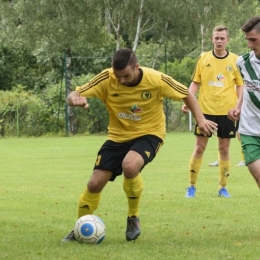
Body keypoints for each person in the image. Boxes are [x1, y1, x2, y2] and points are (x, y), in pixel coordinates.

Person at [62, 48, 217, 242]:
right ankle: (80, 228)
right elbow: (74, 93)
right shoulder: (107, 78)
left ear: (137, 67)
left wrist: (201, 120)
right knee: (94, 184)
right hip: (117, 137)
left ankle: (133, 217)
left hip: (150, 134)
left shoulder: (156, 79)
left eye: (126, 75)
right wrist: (74, 100)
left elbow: (186, 93)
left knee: (130, 165)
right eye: (118, 76)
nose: (122, 81)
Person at [182, 25, 244, 198]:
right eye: (216, 38)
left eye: (222, 38)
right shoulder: (203, 58)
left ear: (227, 40)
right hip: (205, 111)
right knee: (199, 147)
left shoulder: (236, 60)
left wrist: (239, 105)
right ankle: (191, 187)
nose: (219, 41)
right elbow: (195, 82)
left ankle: (223, 188)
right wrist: (188, 100)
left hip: (228, 112)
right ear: (212, 39)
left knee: (224, 149)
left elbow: (240, 85)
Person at [228, 16, 260, 189]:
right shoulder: (243, 62)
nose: (249, 45)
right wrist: (238, 107)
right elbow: (247, 87)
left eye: (253, 40)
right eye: (247, 40)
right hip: (250, 131)